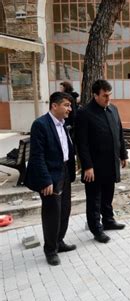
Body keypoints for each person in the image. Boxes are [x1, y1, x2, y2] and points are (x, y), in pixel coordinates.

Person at [24, 92, 77, 266]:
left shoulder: (63, 124)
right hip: (49, 176)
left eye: (70, 105)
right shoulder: (40, 124)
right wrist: (45, 180)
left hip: (64, 172)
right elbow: (37, 156)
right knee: (52, 213)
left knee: (65, 210)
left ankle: (59, 241)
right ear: (54, 106)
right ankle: (50, 250)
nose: (70, 109)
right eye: (66, 105)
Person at [76, 79, 128, 243]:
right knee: (94, 199)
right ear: (95, 95)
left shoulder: (113, 109)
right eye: (105, 96)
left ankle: (108, 220)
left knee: (108, 194)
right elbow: (81, 143)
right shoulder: (85, 113)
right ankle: (96, 229)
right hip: (94, 166)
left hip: (110, 162)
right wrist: (87, 166)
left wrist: (123, 154)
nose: (108, 99)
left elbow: (119, 133)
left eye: (109, 95)